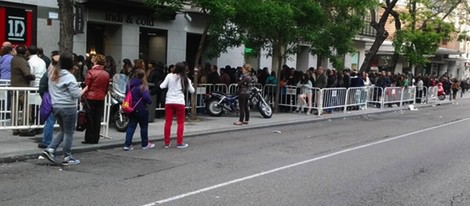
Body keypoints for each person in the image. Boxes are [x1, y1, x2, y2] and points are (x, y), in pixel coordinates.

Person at [42, 52, 88, 165]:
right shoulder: (69, 77)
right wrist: (85, 90)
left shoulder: (52, 74)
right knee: (69, 132)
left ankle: (50, 149)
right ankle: (67, 156)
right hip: (68, 107)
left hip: (55, 106)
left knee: (64, 131)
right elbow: (76, 95)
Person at [160, 62, 195, 149]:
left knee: (168, 122)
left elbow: (162, 86)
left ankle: (167, 143)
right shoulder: (185, 78)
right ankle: (179, 142)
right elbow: (192, 91)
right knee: (180, 122)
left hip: (169, 101)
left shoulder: (169, 76)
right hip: (179, 102)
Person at [123, 69, 155, 151]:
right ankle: (144, 144)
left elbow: (127, 95)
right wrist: (150, 101)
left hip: (131, 108)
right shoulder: (143, 86)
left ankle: (127, 144)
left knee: (131, 126)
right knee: (143, 127)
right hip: (141, 108)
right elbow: (146, 98)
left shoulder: (129, 85)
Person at [82, 54, 110, 144]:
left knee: (90, 118)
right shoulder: (106, 74)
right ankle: (95, 138)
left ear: (95, 61)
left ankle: (89, 138)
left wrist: (84, 98)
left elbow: (87, 85)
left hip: (90, 97)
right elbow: (106, 88)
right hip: (100, 97)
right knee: (97, 118)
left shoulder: (91, 72)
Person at [10, 45, 36, 136]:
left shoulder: (14, 59)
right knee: (26, 108)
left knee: (14, 108)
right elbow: (27, 74)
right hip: (23, 87)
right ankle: (24, 128)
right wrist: (33, 77)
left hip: (14, 86)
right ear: (25, 52)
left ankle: (14, 128)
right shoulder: (22, 61)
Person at [37, 51, 59, 149]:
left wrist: (44, 96)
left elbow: (42, 86)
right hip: (63, 101)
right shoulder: (67, 73)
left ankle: (47, 142)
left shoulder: (49, 72)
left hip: (52, 98)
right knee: (65, 125)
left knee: (50, 121)